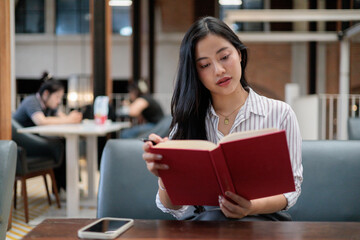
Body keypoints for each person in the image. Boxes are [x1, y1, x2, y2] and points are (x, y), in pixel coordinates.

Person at [142, 17, 303, 221]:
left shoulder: (280, 113)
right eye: (205, 65)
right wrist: (165, 178)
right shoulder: (187, 119)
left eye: (224, 57)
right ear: (196, 73)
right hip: (203, 226)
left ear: (240, 54)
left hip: (261, 222)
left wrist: (251, 207)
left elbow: (292, 190)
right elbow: (175, 207)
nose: (218, 70)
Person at [13, 73, 83, 194]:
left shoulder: (49, 105)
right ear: (46, 94)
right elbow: (41, 121)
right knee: (60, 145)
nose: (59, 101)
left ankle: (64, 187)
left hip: (34, 141)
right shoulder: (31, 101)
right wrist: (69, 119)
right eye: (57, 97)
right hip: (22, 146)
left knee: (64, 142)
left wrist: (71, 118)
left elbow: (63, 118)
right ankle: (65, 188)